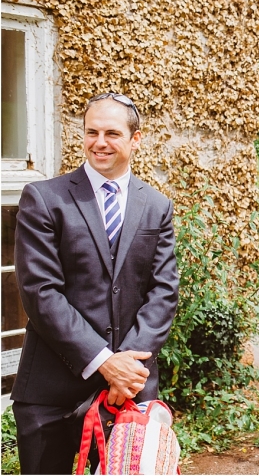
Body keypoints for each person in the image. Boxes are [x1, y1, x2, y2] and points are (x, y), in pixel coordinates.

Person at [11, 93, 180, 474]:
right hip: (49, 390)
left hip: (129, 392)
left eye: (111, 133)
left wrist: (127, 369)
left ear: (136, 139)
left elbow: (163, 291)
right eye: (91, 132)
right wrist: (105, 362)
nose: (99, 142)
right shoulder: (45, 198)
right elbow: (40, 291)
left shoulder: (156, 206)